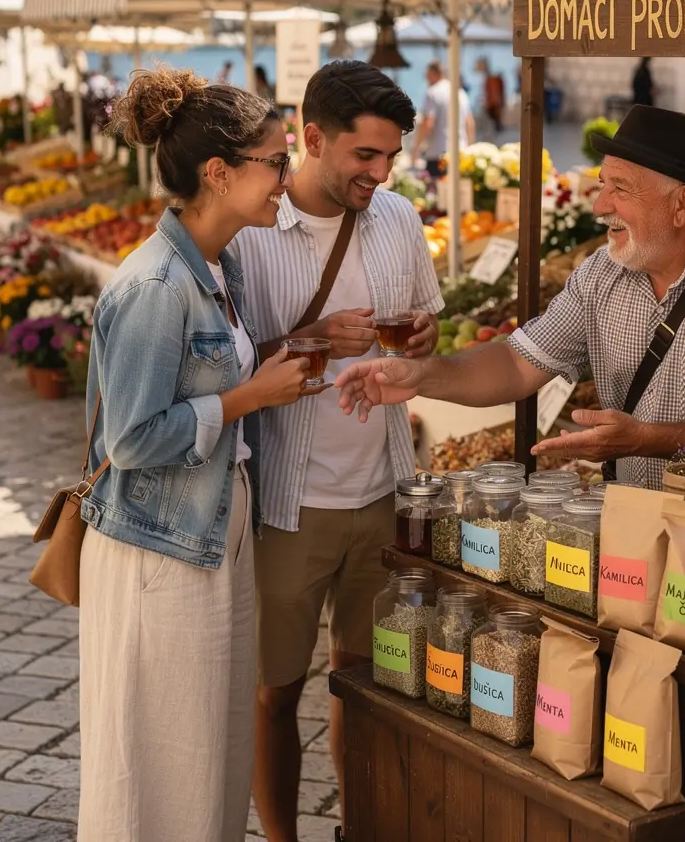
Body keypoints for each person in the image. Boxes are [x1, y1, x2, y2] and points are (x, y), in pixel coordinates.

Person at [337, 104, 685, 602]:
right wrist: (423, 375)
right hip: (650, 559)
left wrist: (646, 440)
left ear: (683, 204)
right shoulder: (602, 273)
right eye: (603, 184)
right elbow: (519, 361)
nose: (599, 204)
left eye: (619, 189)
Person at [79, 67, 314, 841]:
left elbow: (219, 370)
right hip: (161, 551)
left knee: (209, 749)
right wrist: (252, 398)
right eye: (276, 162)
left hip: (211, 532)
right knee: (159, 760)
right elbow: (134, 437)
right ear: (219, 173)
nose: (287, 178)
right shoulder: (153, 284)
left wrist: (301, 349)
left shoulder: (220, 265)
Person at [232, 60, 443, 842]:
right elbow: (225, 366)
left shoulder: (397, 217)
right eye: (365, 156)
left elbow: (425, 326)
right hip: (289, 503)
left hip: (383, 491)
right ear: (312, 137)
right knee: (273, 693)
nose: (380, 173)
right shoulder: (251, 233)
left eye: (390, 157)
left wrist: (423, 335)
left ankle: (361, 829)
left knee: (364, 686)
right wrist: (308, 339)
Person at [411, 59, 475, 177]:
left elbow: (428, 123)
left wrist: (416, 148)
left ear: (434, 74)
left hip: (438, 154)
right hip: (461, 153)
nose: (427, 80)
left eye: (428, 76)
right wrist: (471, 147)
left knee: (437, 192)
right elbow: (469, 122)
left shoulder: (432, 93)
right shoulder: (460, 93)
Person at [478, 57, 506, 133]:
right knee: (493, 121)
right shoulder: (490, 79)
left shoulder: (492, 79)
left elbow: (494, 93)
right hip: (492, 103)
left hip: (493, 103)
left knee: (493, 121)